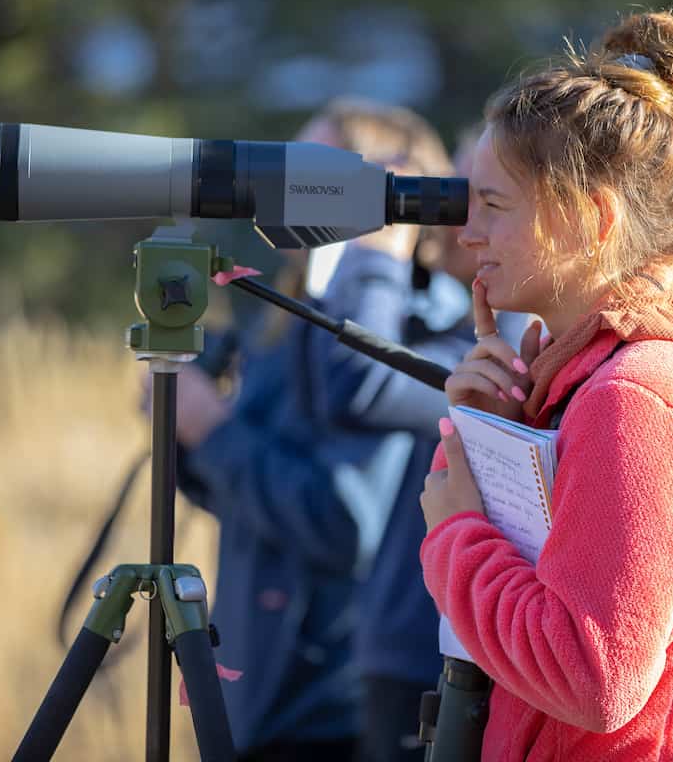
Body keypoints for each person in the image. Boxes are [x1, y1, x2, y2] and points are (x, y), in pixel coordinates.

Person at [416, 10, 673, 760]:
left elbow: (592, 677)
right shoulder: (590, 384)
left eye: (494, 206)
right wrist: (496, 439)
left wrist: (455, 535)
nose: (466, 233)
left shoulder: (633, 400)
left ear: (591, 218)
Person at [168, 98, 457, 761]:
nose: (274, 189)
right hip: (263, 690)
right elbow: (249, 506)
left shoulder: (403, 335)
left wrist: (211, 432)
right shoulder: (290, 318)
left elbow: (344, 523)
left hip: (329, 702)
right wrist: (191, 439)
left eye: (305, 171)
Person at [311, 125, 528, 762]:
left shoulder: (510, 340)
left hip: (436, 655)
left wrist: (378, 247)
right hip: (401, 645)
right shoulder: (451, 320)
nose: (459, 224)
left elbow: (364, 382)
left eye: (484, 200)